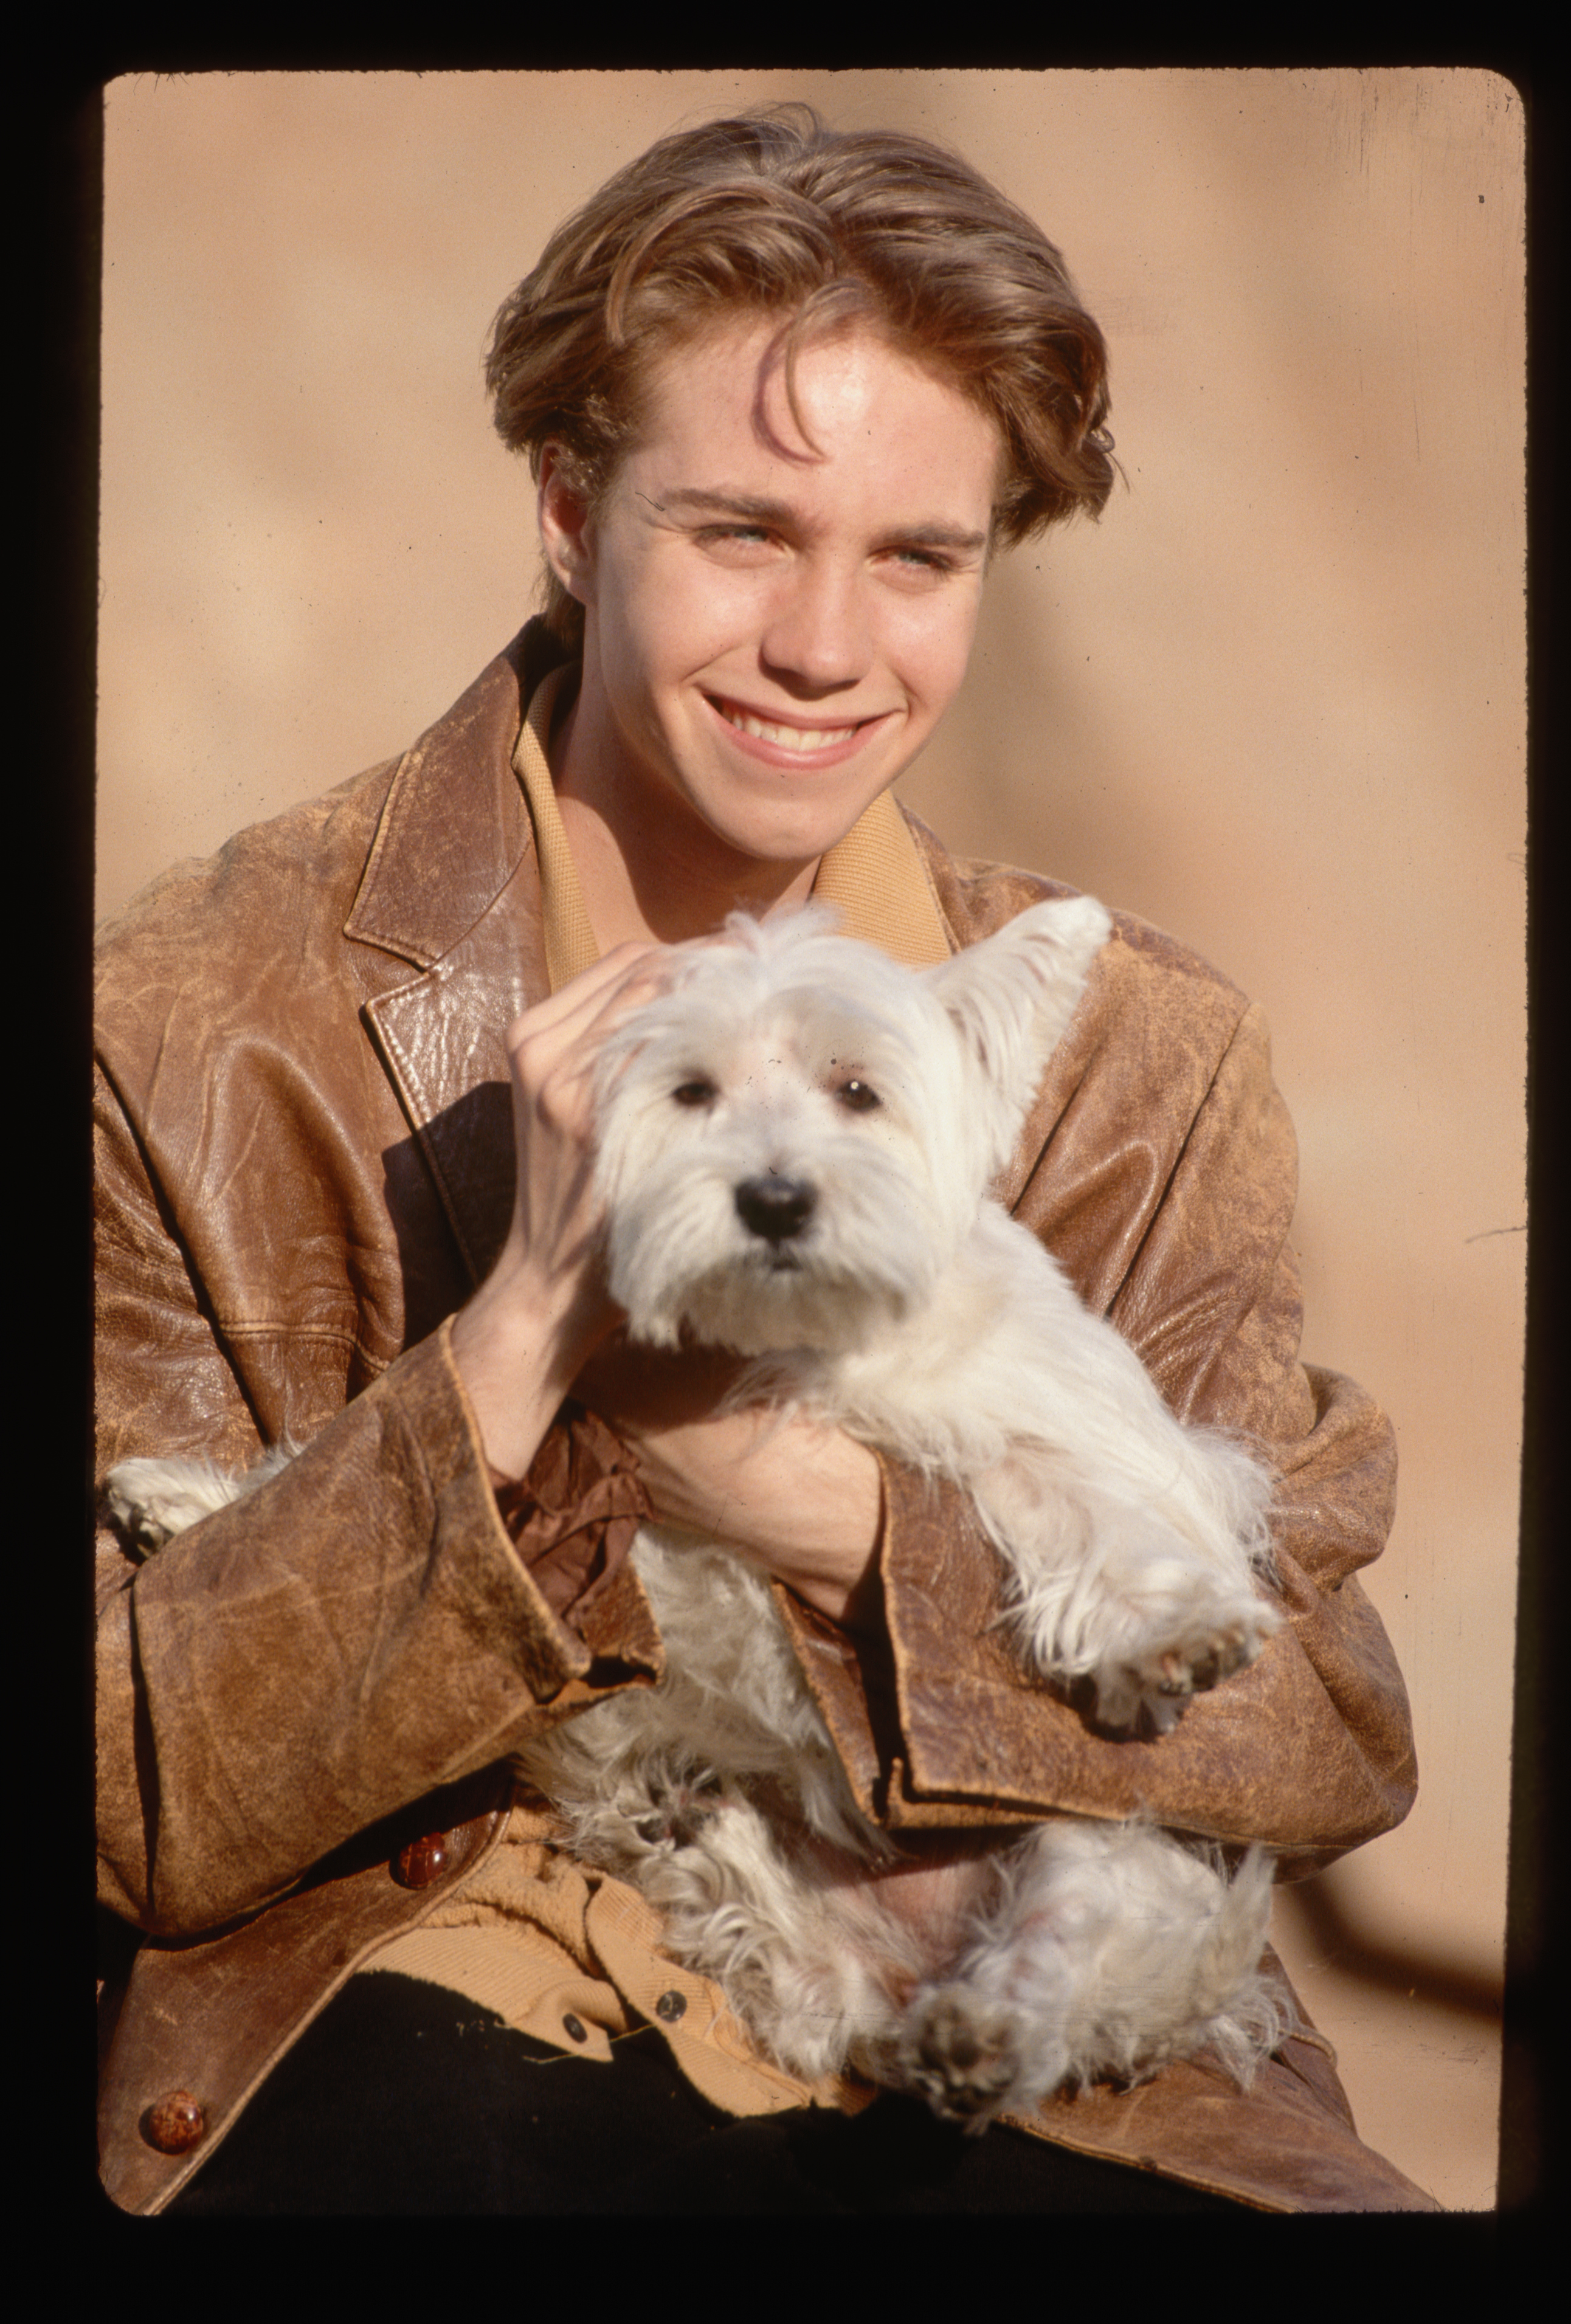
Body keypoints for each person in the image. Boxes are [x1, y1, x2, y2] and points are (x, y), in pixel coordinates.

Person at [94, 106, 1438, 2213]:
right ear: (566, 509)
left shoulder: (1135, 1053)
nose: (831, 646)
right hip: (430, 1955)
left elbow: (1325, 1731)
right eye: (740, 532)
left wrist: (821, 1521)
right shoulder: (202, 1015)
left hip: (1046, 2025)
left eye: (920, 557)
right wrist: (521, 1338)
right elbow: (127, 1786)